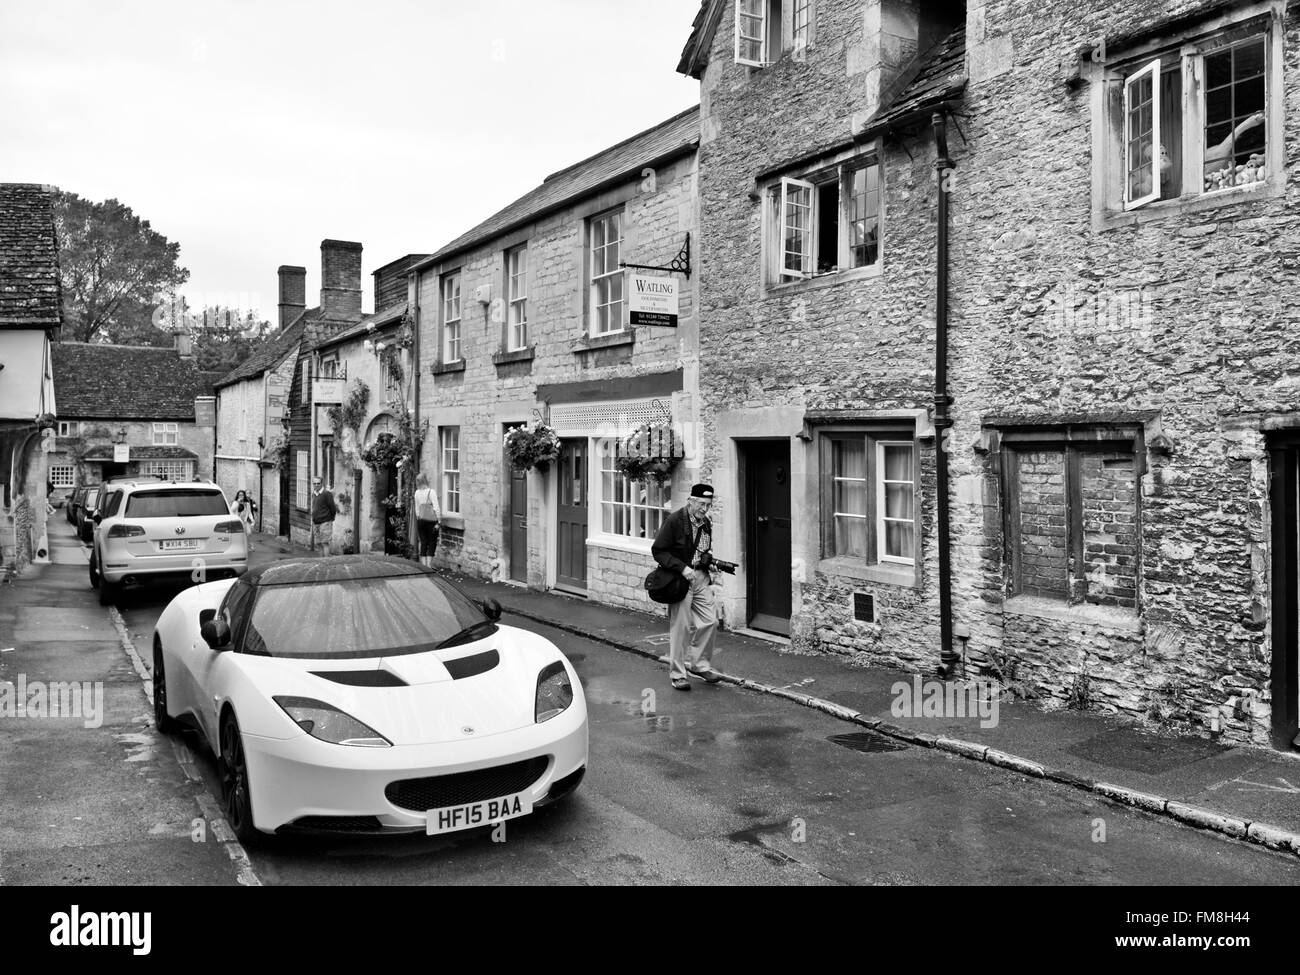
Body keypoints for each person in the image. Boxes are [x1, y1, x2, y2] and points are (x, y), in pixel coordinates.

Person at [651, 482, 722, 691]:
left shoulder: (706, 523)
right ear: (690, 501)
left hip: (700, 578)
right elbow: (659, 551)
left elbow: (701, 551)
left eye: (708, 505)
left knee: (711, 621)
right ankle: (678, 674)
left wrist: (711, 563)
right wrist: (682, 568)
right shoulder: (675, 521)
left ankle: (699, 665)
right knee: (681, 628)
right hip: (680, 581)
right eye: (701, 504)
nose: (705, 509)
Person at [413, 473, 441, 568]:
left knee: (423, 542)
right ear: (426, 480)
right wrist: (439, 521)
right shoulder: (431, 492)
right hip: (431, 520)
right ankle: (429, 565)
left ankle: (424, 566)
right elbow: (436, 507)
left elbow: (417, 509)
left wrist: (419, 518)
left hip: (421, 520)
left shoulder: (417, 493)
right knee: (432, 541)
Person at [310, 477, 337, 554]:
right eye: (314, 483)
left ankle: (326, 562)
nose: (316, 485)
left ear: (322, 484)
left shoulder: (326, 494)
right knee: (318, 543)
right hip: (316, 523)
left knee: (325, 543)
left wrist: (331, 518)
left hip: (325, 522)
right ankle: (321, 562)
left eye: (318, 483)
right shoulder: (314, 494)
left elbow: (333, 508)